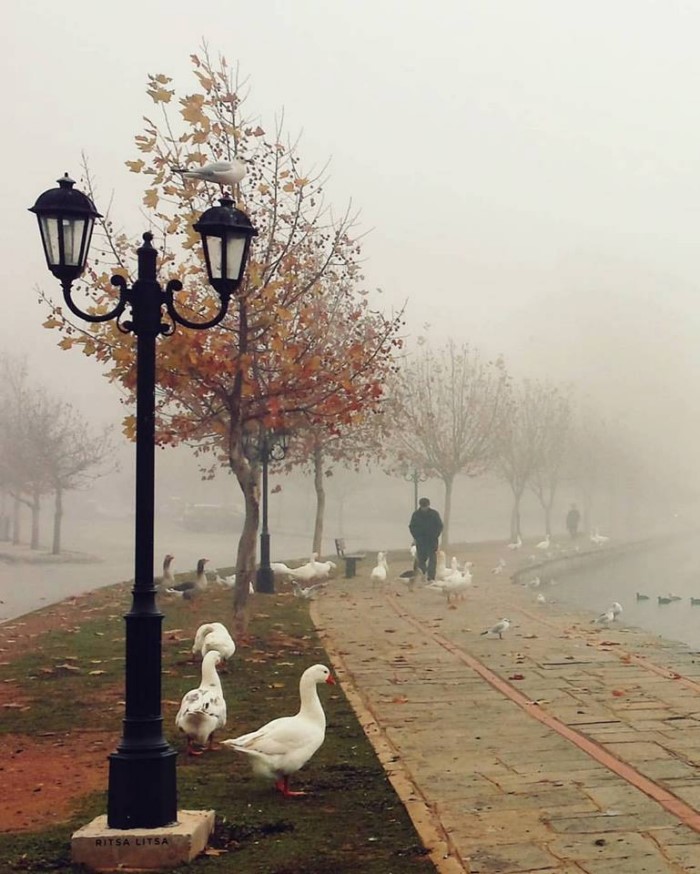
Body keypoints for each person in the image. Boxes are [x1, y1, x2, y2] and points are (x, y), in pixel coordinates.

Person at [409, 497, 443, 581]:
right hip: (421, 542)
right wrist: (417, 537)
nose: (424, 508)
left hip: (432, 541)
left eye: (426, 506)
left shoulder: (434, 514)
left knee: (432, 560)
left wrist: (435, 535)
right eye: (423, 506)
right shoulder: (416, 515)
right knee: (421, 560)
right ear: (420, 505)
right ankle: (422, 575)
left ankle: (431, 577)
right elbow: (412, 527)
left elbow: (439, 526)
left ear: (428, 505)